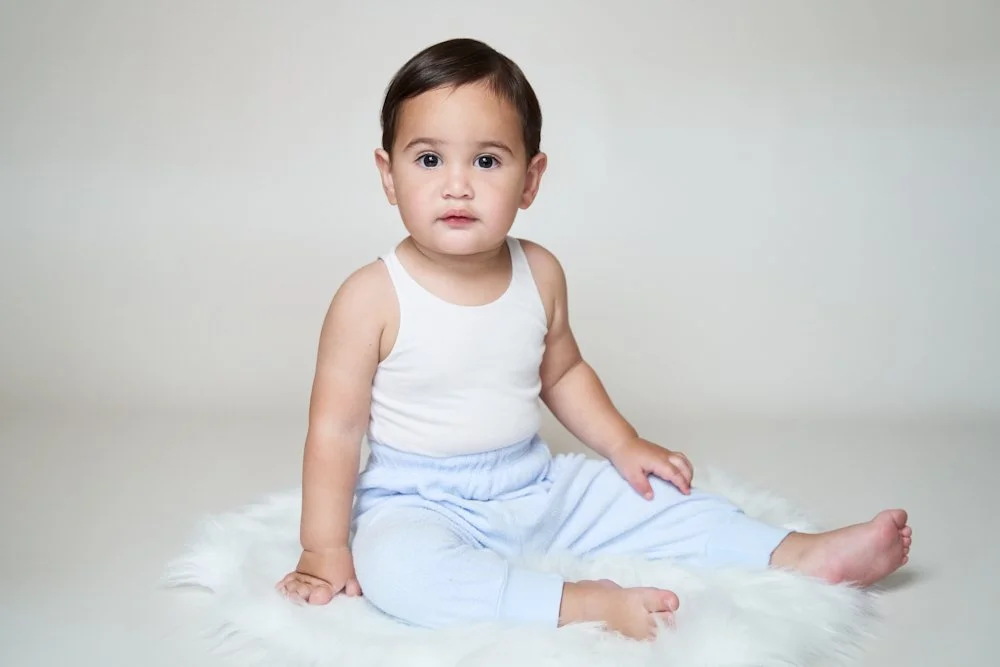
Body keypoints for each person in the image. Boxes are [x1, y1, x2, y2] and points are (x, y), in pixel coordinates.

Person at [276, 37, 912, 640]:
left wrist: (624, 443)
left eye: (488, 160)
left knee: (653, 495)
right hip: (417, 499)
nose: (458, 184)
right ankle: (576, 603)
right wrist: (324, 548)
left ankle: (796, 550)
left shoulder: (539, 272)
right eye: (429, 158)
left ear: (531, 179)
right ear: (388, 175)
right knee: (398, 573)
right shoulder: (370, 297)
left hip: (533, 484)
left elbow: (563, 372)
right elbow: (335, 431)